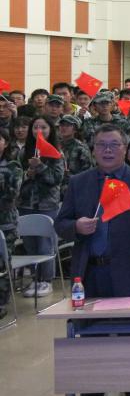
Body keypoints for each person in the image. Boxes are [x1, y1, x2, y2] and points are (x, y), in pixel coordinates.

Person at [54, 124, 130, 396]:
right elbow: (61, 223)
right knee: (91, 340)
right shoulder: (79, 182)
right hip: (90, 274)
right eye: (101, 144)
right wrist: (76, 227)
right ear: (93, 150)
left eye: (114, 145)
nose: (107, 150)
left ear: (124, 149)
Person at [17, 116, 65, 298]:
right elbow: (16, 178)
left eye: (43, 127)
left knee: (45, 245)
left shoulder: (56, 153)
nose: (39, 130)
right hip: (26, 204)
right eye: (35, 127)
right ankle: (35, 278)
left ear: (50, 130)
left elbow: (56, 179)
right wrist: (27, 174)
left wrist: (41, 166)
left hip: (47, 205)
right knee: (30, 245)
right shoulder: (24, 152)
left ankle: (46, 280)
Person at [0, 129, 22, 319]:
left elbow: (11, 195)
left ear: (5, 143)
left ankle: (1, 302)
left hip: (5, 222)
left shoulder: (13, 166)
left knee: (2, 262)